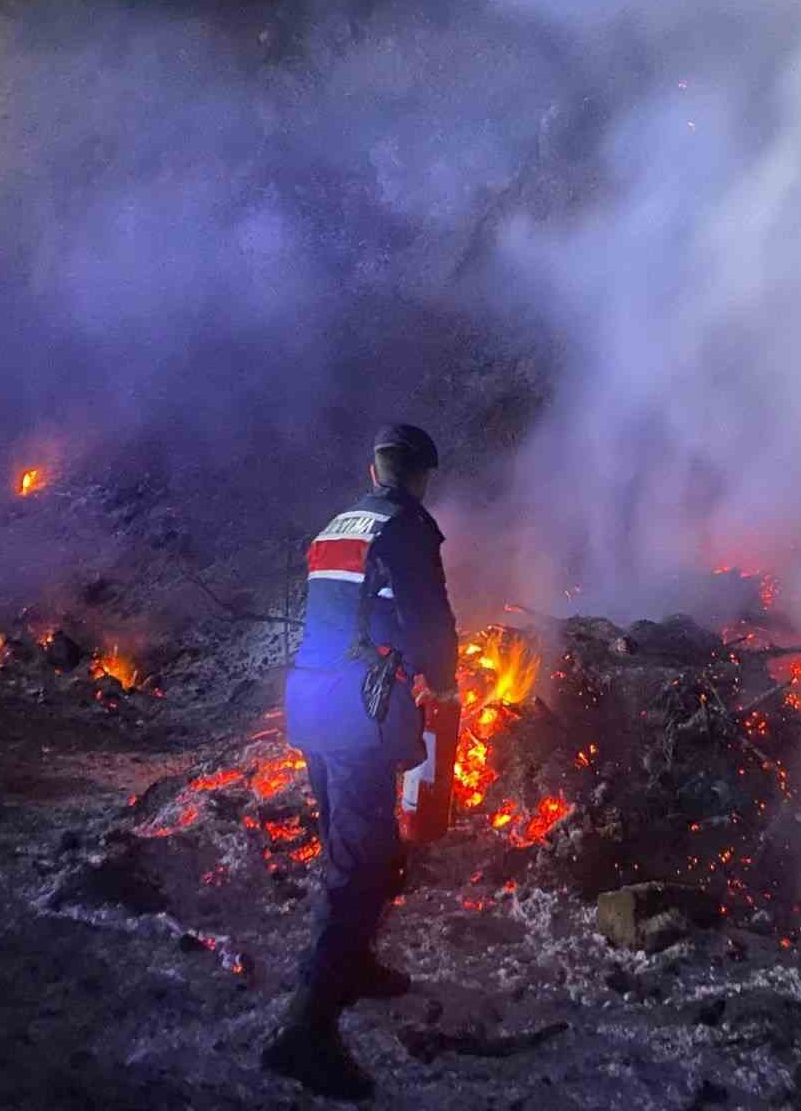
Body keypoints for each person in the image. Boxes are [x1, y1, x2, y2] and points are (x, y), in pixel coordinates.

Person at [263, 424, 459, 1100]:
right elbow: (429, 618)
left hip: (312, 701)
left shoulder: (335, 526)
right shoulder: (406, 523)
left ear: (372, 467)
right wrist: (445, 683)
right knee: (362, 862)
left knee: (358, 848)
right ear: (420, 475)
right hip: (356, 713)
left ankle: (354, 965)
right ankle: (304, 1031)